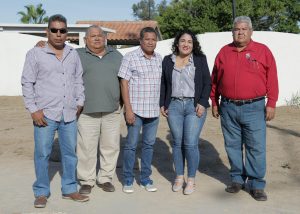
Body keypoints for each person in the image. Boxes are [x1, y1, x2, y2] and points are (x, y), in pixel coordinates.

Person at [21, 14, 89, 208]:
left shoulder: (72, 54)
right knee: (42, 153)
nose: (58, 34)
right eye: (54, 30)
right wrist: (33, 110)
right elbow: (27, 82)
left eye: (62, 30)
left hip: (69, 113)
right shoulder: (35, 53)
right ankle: (41, 192)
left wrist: (80, 102)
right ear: (47, 31)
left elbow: (78, 80)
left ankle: (69, 189)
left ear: (67, 33)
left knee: (70, 154)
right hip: (45, 114)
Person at [210, 16, 279, 201]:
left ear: (251, 31)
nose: (240, 32)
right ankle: (237, 179)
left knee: (255, 147)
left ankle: (256, 184)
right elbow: (215, 80)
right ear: (232, 31)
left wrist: (271, 103)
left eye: (244, 29)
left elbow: (272, 78)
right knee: (232, 145)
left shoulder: (262, 51)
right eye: (237, 29)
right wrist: (214, 102)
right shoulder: (224, 52)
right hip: (228, 107)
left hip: (255, 107)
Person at [160, 30, 211, 195]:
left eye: (190, 41)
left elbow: (207, 83)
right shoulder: (168, 60)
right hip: (174, 105)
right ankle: (179, 177)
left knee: (190, 143)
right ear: (177, 43)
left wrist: (203, 102)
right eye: (183, 41)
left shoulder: (200, 60)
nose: (186, 44)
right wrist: (163, 103)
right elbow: (164, 84)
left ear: (193, 44)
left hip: (193, 105)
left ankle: (191, 180)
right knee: (177, 142)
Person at [76, 25, 123, 194]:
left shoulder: (116, 55)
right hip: (87, 111)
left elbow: (124, 80)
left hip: (112, 110)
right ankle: (86, 181)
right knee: (86, 148)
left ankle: (105, 178)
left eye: (100, 36)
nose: (97, 38)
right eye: (92, 36)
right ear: (85, 40)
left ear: (105, 38)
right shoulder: (77, 55)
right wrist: (41, 44)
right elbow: (57, 52)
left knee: (110, 146)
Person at [118, 27, 162, 193]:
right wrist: (128, 109)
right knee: (131, 145)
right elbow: (124, 83)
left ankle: (145, 179)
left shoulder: (159, 58)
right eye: (147, 39)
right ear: (141, 40)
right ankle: (128, 179)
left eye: (153, 39)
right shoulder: (130, 57)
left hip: (153, 111)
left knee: (149, 146)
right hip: (135, 111)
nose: (151, 42)